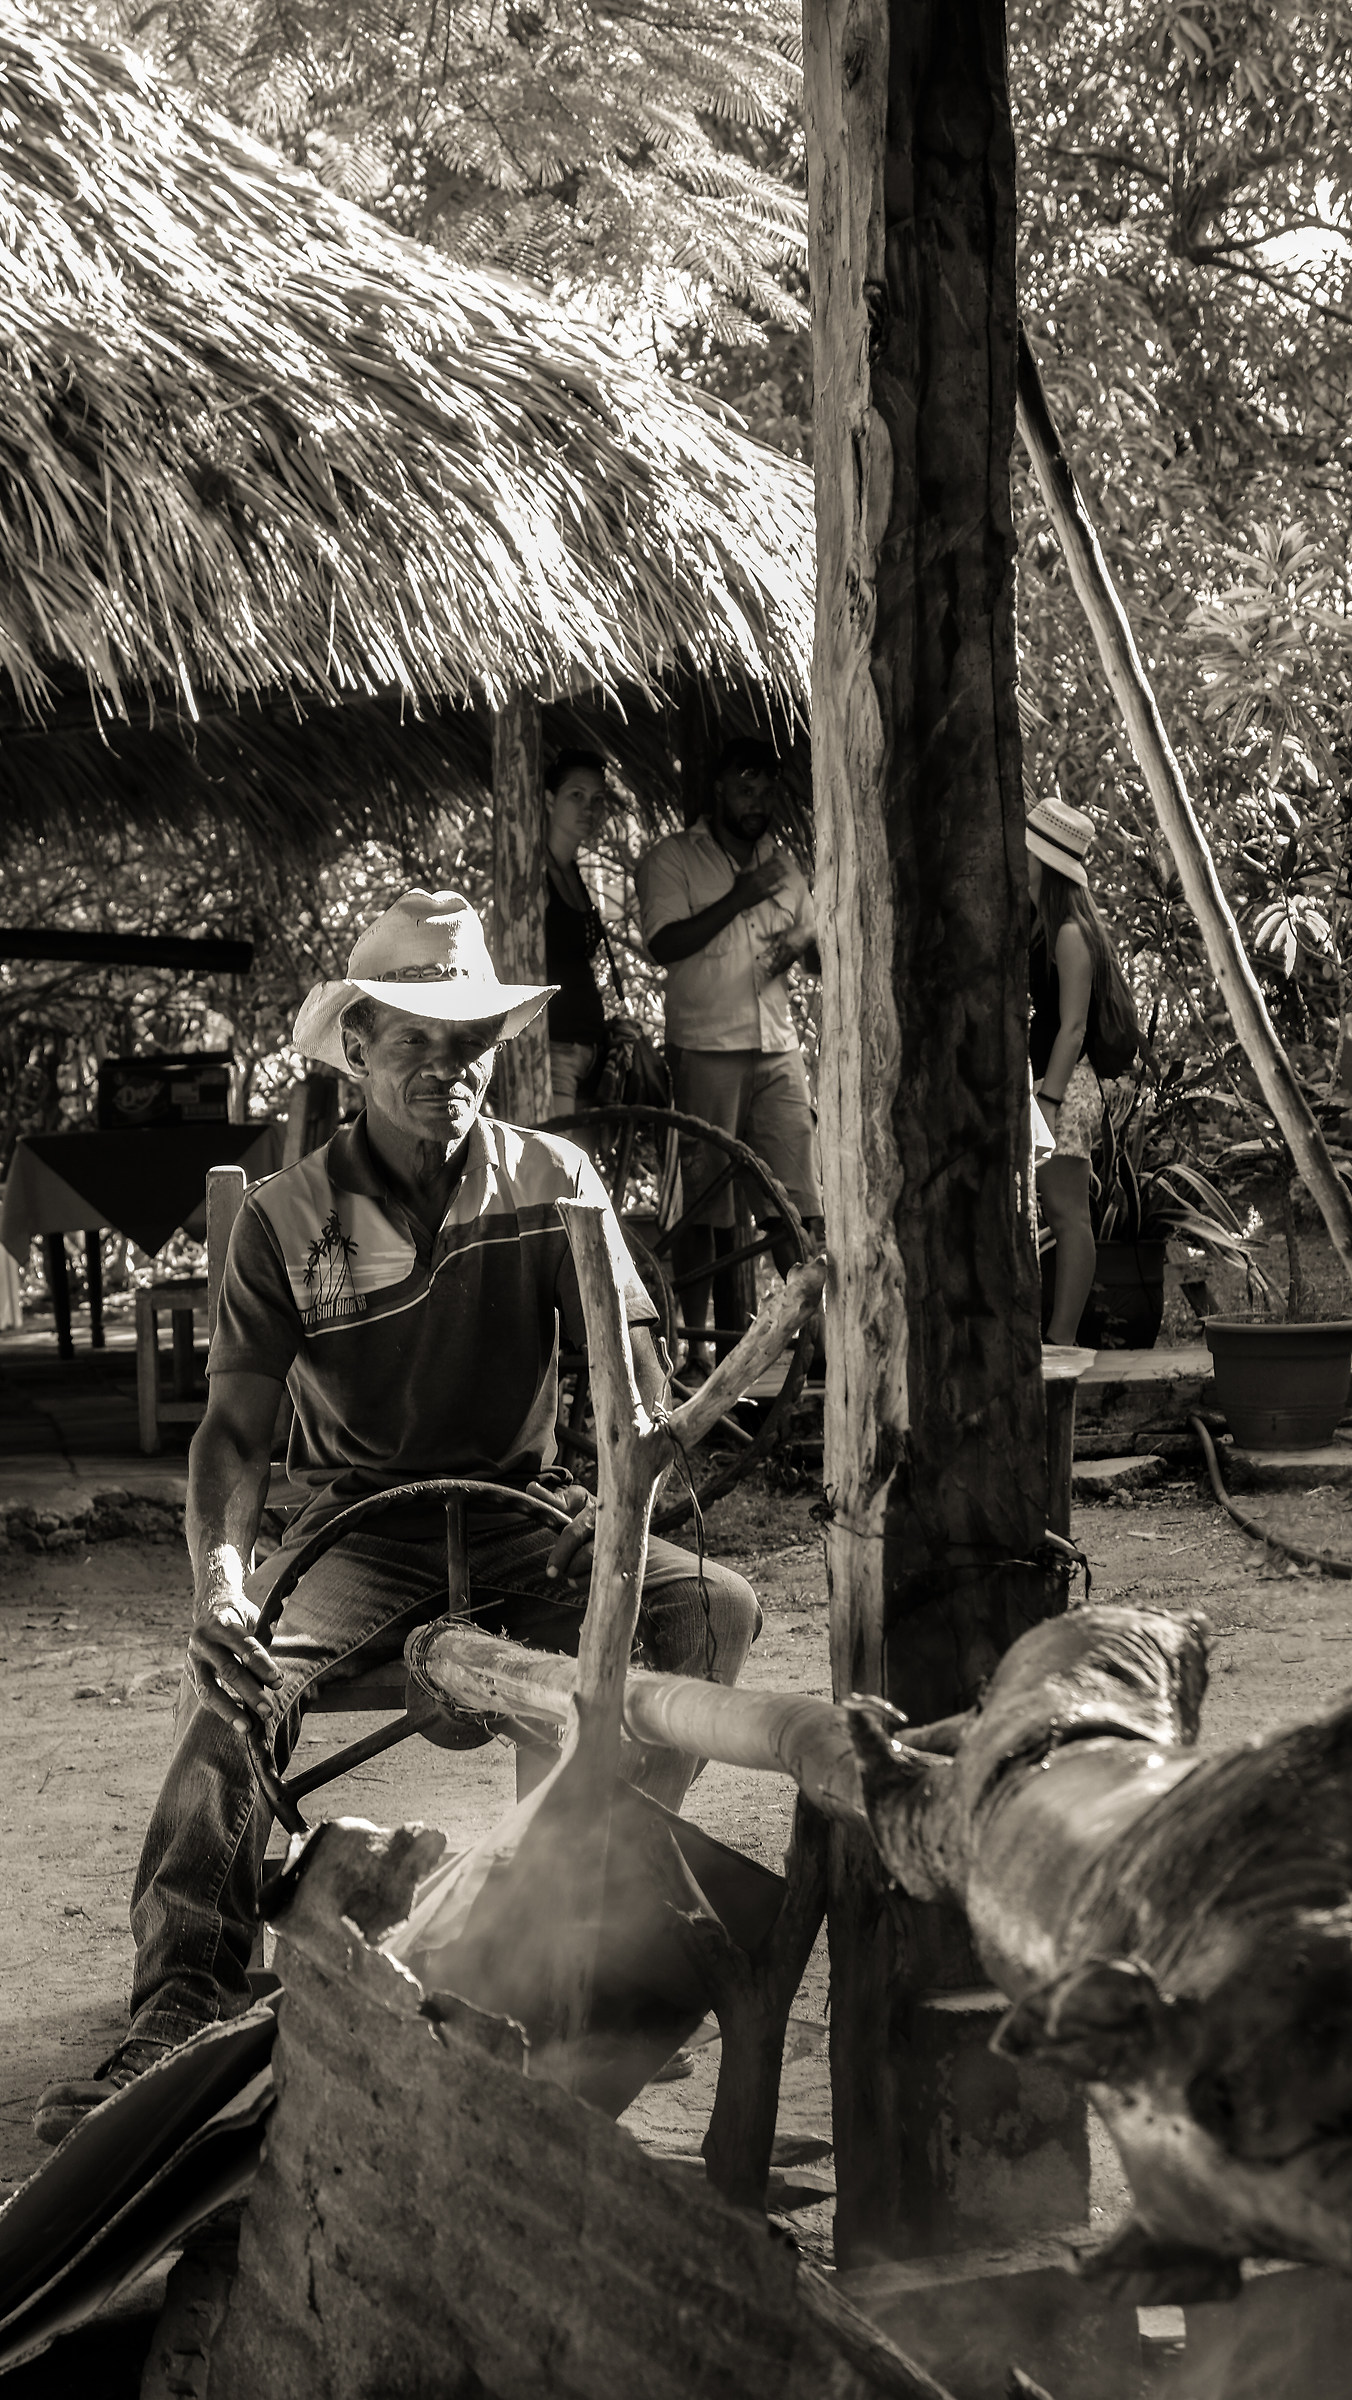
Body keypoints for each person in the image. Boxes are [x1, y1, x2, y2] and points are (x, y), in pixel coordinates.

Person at [35, 890, 758, 2142]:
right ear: (356, 1045)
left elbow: (628, 1384)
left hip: (523, 1516)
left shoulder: (556, 1179)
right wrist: (220, 1580)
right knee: (234, 1677)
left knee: (711, 1611)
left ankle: (560, 1935)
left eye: (467, 1039)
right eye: (413, 1039)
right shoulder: (284, 1217)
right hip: (356, 1532)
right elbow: (233, 1433)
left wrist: (651, 1450)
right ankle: (183, 2003)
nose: (445, 1067)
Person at [634, 738, 824, 1381]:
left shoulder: (787, 866)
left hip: (777, 1049)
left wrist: (807, 941)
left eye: (767, 789)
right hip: (707, 1046)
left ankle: (816, 1334)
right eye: (746, 788)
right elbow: (664, 944)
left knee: (797, 1196)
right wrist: (742, 897)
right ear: (717, 789)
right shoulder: (672, 859)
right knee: (703, 1203)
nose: (758, 802)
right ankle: (697, 1349)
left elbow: (819, 956)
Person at [1026, 796, 1119, 1346]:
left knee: (1067, 1214)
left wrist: (1050, 1101)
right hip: (1048, 1083)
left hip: (1066, 1086)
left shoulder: (1068, 932)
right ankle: (1055, 1335)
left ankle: (1062, 1337)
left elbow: (1074, 1027)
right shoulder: (1043, 925)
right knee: (1056, 1212)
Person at [543, 748, 611, 1117]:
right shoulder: (531, 873)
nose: (589, 808)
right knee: (556, 1167)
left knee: (583, 1171)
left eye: (597, 799)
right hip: (553, 1047)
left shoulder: (573, 871)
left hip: (590, 1048)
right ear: (549, 800)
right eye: (576, 795)